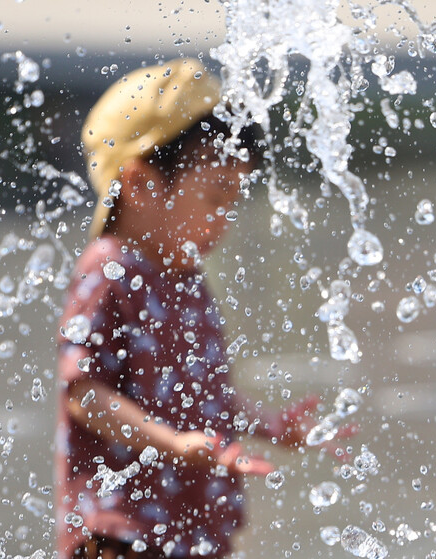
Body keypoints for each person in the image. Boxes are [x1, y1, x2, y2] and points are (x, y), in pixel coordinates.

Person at [54, 58, 340, 559]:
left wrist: (266, 424)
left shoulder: (186, 279)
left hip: (194, 530)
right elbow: (84, 394)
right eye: (216, 195)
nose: (226, 218)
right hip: (122, 530)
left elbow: (203, 394)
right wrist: (171, 443)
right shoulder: (108, 272)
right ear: (142, 185)